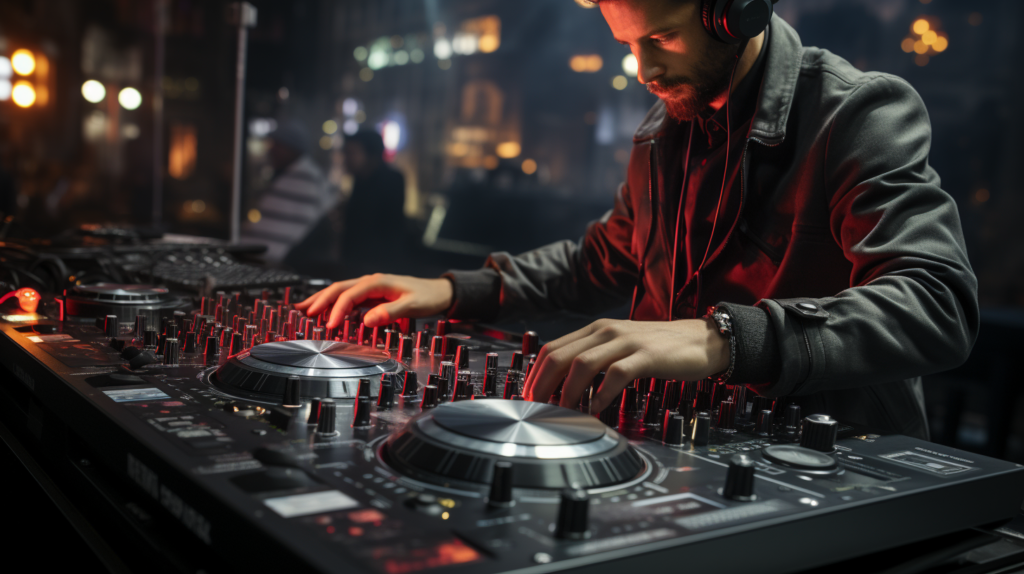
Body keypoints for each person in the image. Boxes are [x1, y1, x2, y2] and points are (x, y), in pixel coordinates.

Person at [295, 0, 977, 439]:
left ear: (734, 12)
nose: (642, 67)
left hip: (825, 459)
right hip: (682, 446)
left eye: (661, 37)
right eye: (626, 41)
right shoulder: (665, 133)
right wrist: (451, 292)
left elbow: (936, 304)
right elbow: (603, 262)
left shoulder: (858, 113)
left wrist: (721, 341)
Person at [239, 121, 336, 265]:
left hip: (275, 262)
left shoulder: (304, 179)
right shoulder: (288, 175)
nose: (271, 150)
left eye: (277, 145)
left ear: (292, 149)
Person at [337, 129, 407, 277]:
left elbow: (388, 229)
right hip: (354, 263)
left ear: (372, 155)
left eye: (351, 153)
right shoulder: (359, 179)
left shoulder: (392, 180)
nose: (345, 158)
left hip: (378, 267)